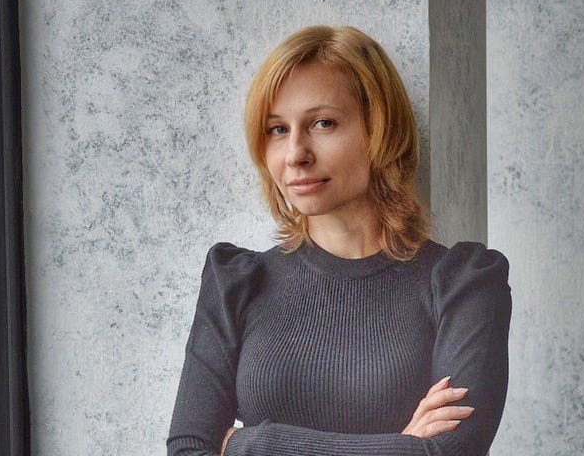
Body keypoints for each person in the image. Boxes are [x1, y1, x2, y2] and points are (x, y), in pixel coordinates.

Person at [167, 25, 511, 456]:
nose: (295, 153)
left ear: (380, 130)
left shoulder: (463, 283)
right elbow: (189, 450)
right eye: (277, 130)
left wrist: (252, 443)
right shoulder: (236, 281)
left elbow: (451, 452)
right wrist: (402, 446)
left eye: (323, 123)